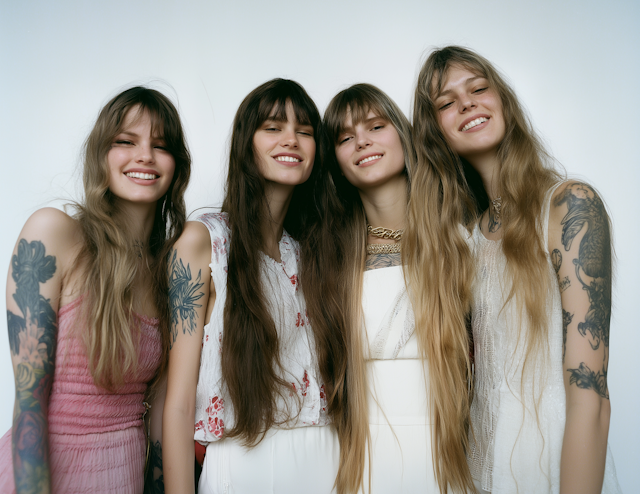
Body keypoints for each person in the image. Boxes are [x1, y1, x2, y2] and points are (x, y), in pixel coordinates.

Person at [411, 45, 621, 493]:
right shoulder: (464, 238)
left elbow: (591, 393)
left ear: (503, 101)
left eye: (479, 88)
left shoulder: (568, 207)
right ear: (436, 134)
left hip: (555, 466)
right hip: (482, 472)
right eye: (446, 103)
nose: (466, 103)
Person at [163, 79, 354, 494]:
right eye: (273, 127)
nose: (291, 139)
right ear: (246, 143)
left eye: (304, 131)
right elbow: (177, 404)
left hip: (329, 461)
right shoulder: (204, 242)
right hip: (246, 462)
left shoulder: (310, 254)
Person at [0, 86, 191, 493]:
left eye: (160, 145)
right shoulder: (53, 233)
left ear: (176, 165)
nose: (144, 155)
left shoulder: (170, 271)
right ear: (100, 155)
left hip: (125, 474)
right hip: (46, 473)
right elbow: (28, 401)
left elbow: (160, 412)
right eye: (125, 141)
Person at [321, 83, 473, 493]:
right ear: (334, 160)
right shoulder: (327, 257)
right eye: (345, 137)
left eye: (375, 126)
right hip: (361, 461)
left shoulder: (460, 239)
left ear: (403, 135)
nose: (362, 142)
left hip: (450, 458)